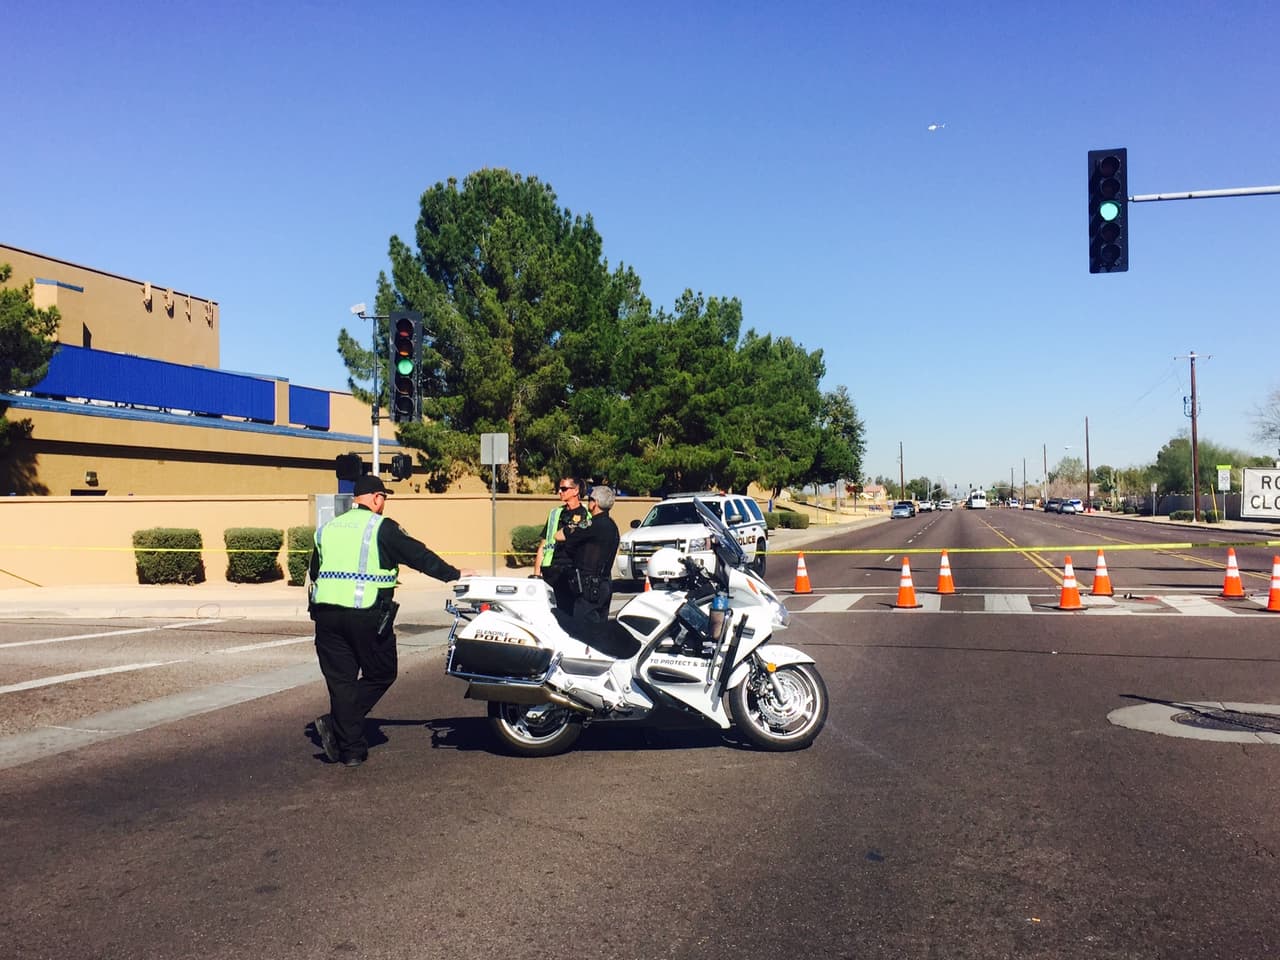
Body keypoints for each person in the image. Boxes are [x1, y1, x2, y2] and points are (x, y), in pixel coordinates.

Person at [308, 474, 476, 767]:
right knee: (381, 673)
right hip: (366, 613)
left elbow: (315, 570)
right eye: (383, 497)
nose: (383, 503)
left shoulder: (327, 529)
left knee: (341, 681)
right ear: (375, 498)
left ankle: (352, 751)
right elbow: (417, 555)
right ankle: (338, 725)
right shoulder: (380, 527)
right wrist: (454, 574)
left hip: (325, 615)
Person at [555, 484, 620, 625]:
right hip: (605, 585)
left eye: (590, 499)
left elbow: (559, 536)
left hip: (588, 587)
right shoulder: (613, 526)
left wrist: (571, 526)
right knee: (600, 630)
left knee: (583, 631)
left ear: (595, 503)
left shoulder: (590, 525)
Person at [533, 476, 590, 611]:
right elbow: (543, 544)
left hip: (573, 571)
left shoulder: (586, 515)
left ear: (576, 491)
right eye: (559, 488)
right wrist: (536, 572)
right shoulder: (555, 513)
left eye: (564, 489)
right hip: (551, 570)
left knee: (570, 613)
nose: (560, 491)